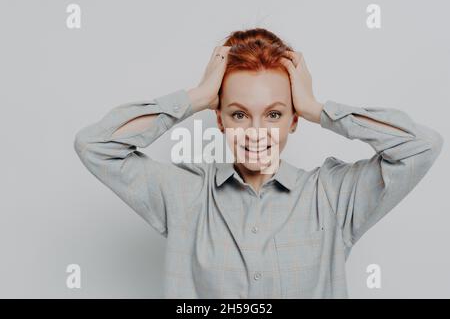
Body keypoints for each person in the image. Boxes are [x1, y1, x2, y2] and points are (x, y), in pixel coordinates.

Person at [73, 28, 443, 298]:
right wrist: (197, 97)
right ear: (218, 119)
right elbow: (95, 145)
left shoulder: (332, 196)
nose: (256, 132)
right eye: (238, 115)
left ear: (293, 119)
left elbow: (422, 146)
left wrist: (318, 109)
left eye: (274, 114)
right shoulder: (184, 195)